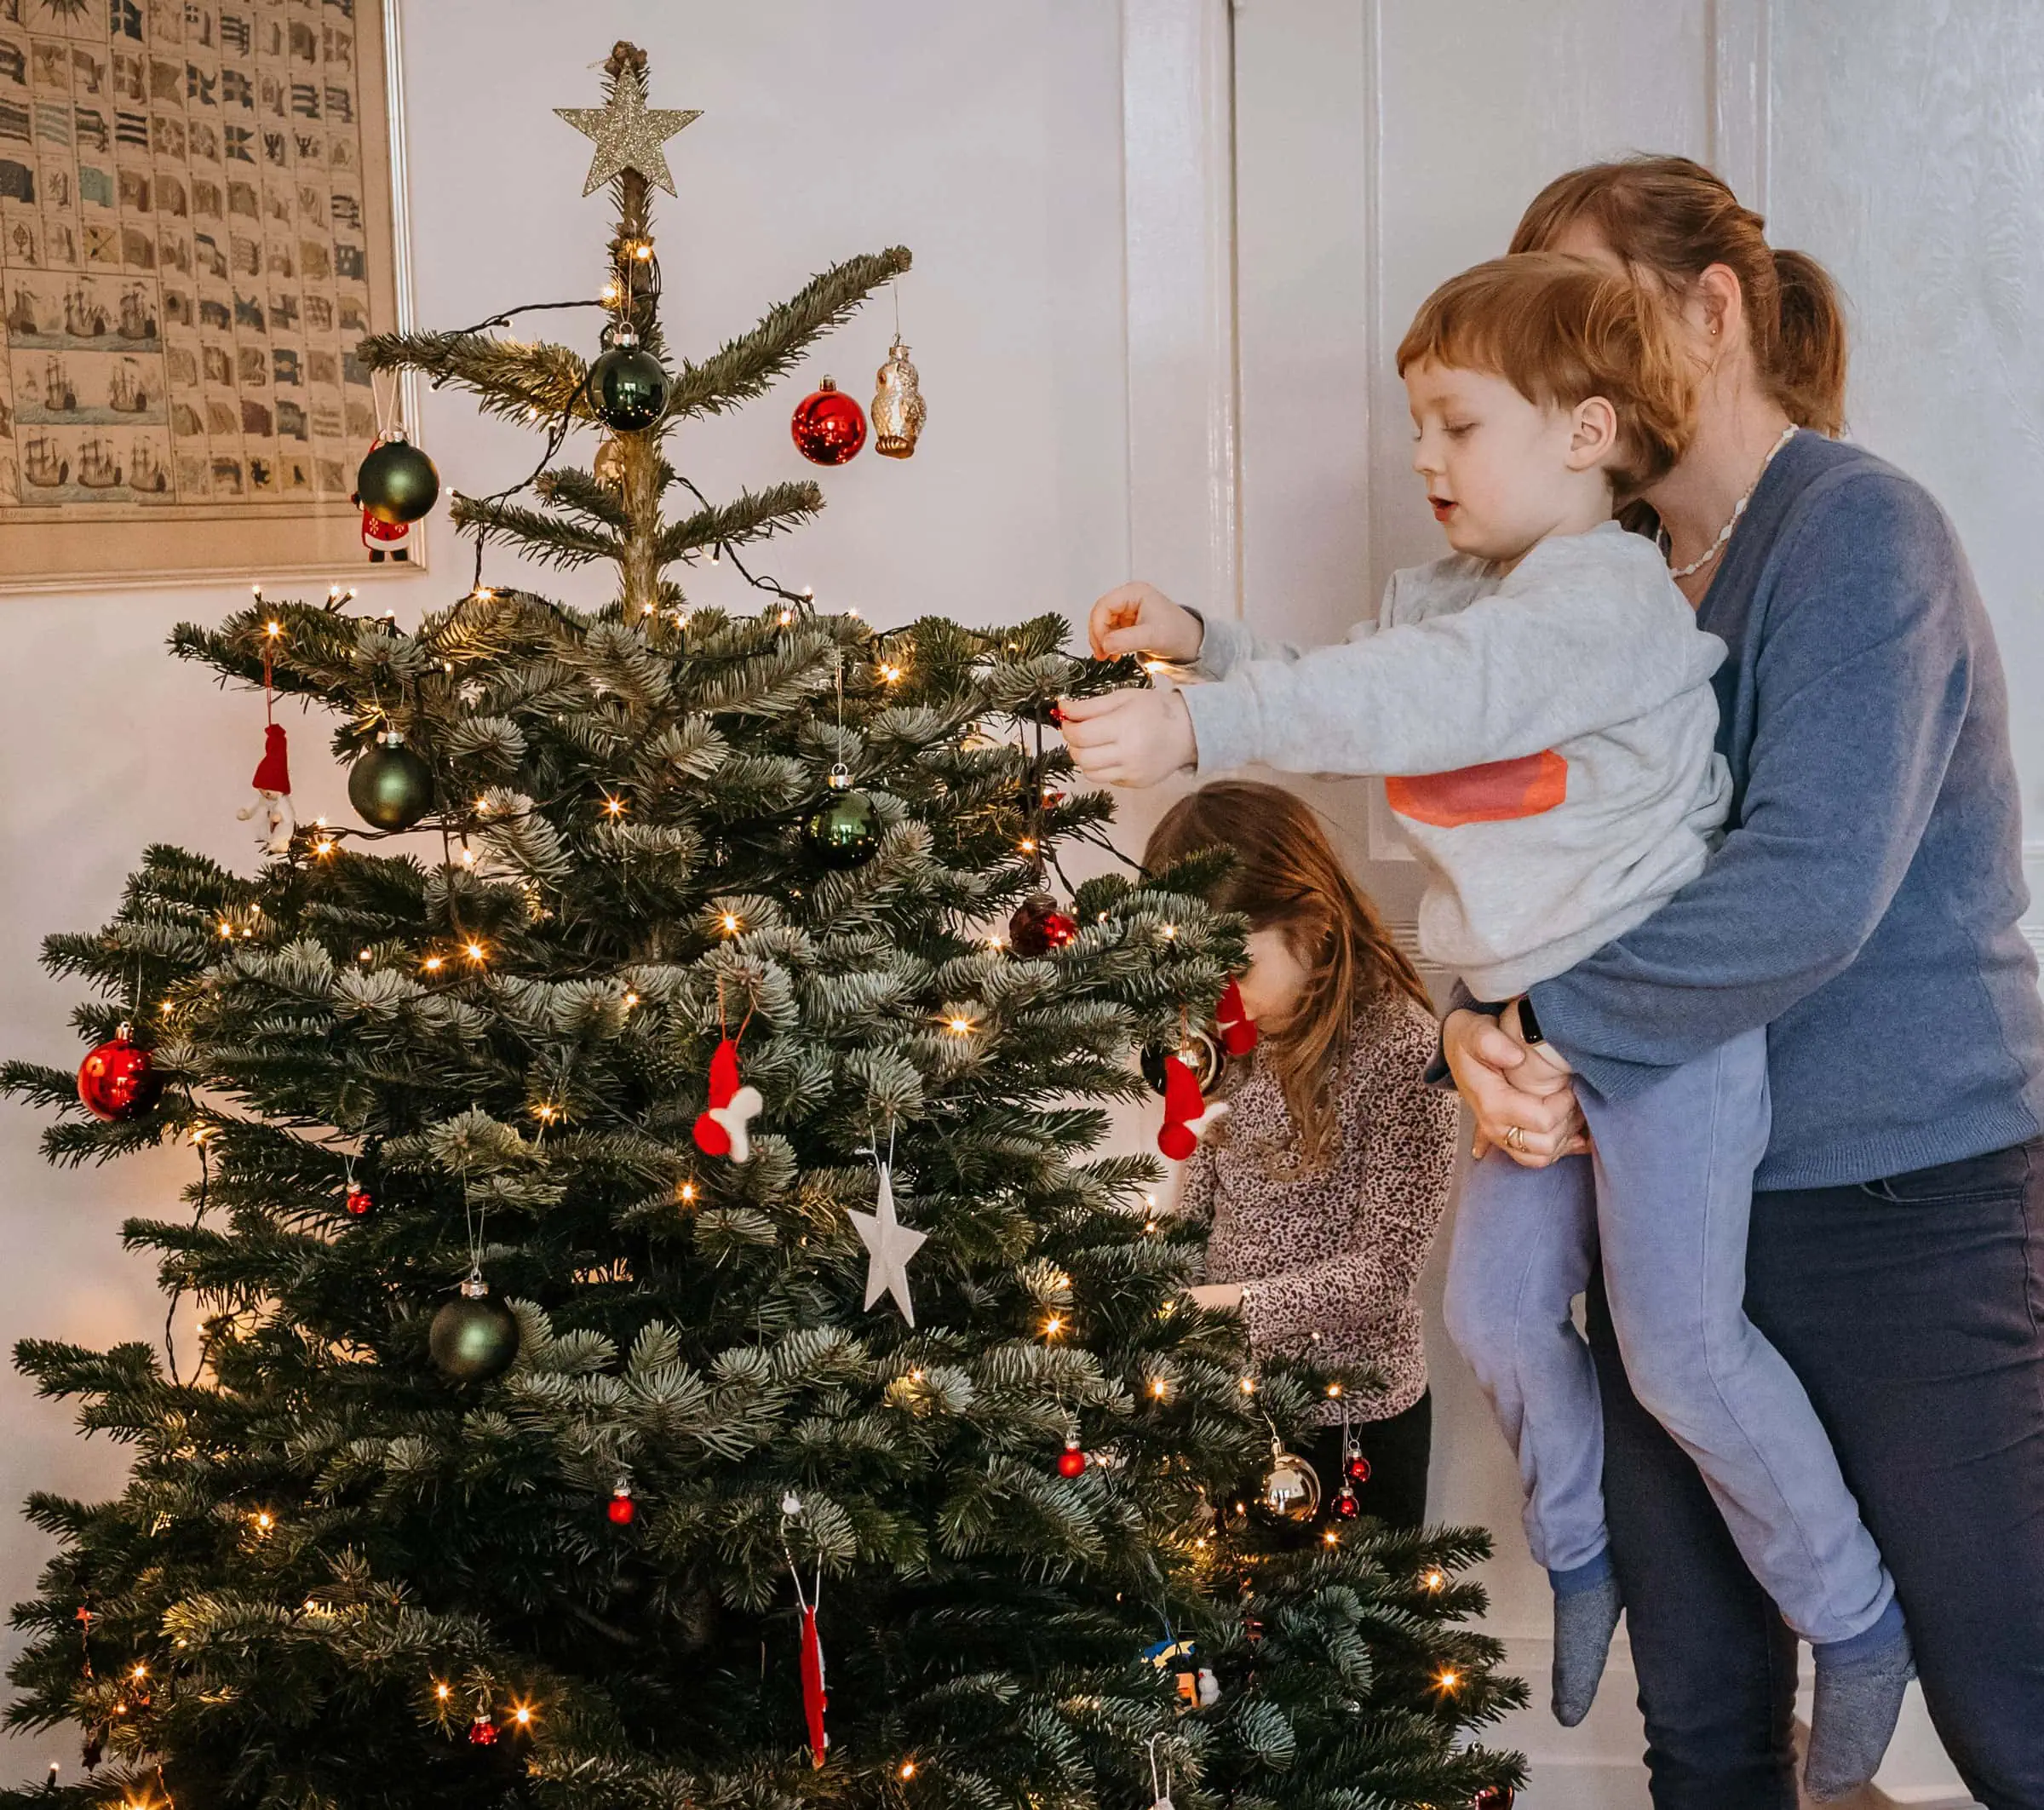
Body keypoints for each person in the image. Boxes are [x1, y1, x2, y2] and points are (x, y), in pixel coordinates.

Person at [1062, 250, 1910, 1801]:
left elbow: (1428, 701)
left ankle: (1852, 1619)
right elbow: (1386, 681)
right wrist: (1214, 643)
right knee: (1499, 1316)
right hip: (1531, 1021)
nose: (1426, 461)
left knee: (1683, 1347)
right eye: (1417, 431)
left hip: (1665, 1015)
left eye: (1459, 426)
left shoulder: (1597, 600)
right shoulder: (1469, 599)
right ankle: (1580, 1562)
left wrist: (1209, 721)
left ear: (1588, 435)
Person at [1147, 779, 1455, 1531]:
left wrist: (1226, 1310)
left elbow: (1384, 1270)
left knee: (1353, 1646)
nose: (1218, 997)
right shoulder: (1227, 1043)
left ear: (1313, 924)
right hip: (1232, 1407)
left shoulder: (1405, 1050)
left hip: (1354, 1425)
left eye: (1236, 967)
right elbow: (1199, 1207)